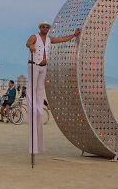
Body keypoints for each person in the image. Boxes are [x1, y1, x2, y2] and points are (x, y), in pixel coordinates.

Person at [25, 20, 81, 154]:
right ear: (40, 28)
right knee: (32, 88)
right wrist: (31, 47)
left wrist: (74, 35)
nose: (45, 28)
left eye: (47, 27)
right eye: (43, 26)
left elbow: (61, 39)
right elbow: (28, 43)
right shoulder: (35, 36)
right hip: (34, 64)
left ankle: (38, 107)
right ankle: (32, 106)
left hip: (43, 67)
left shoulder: (49, 39)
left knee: (40, 90)